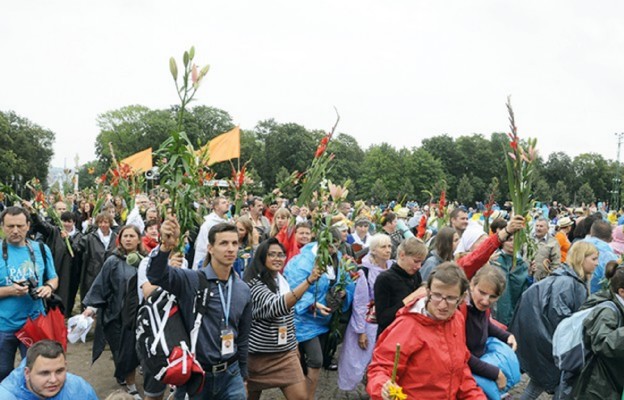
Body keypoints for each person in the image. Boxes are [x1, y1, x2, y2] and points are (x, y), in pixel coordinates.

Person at [147, 219, 251, 400]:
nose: (231, 249)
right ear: (210, 248)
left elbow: (242, 337)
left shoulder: (243, 290)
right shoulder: (192, 280)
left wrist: (243, 376)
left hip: (231, 375)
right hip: (197, 375)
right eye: (224, 243)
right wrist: (165, 247)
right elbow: (157, 275)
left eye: (234, 243)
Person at [367, 262, 486, 399]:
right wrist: (383, 386)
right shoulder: (407, 326)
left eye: (451, 298)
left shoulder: (457, 319)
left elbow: (460, 369)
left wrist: (475, 396)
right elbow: (380, 368)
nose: (442, 305)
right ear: (428, 292)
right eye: (437, 295)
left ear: (461, 298)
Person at [510, 241, 599, 400]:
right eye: (593, 258)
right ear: (581, 258)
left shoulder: (570, 279)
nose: (597, 263)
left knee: (538, 385)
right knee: (549, 385)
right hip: (555, 347)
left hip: (551, 346)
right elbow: (561, 318)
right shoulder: (568, 282)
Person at [243, 238, 321, 400]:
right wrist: (308, 281)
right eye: (271, 255)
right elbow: (277, 307)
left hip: (285, 354)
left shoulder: (281, 281)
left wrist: (295, 346)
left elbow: (288, 318)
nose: (277, 258)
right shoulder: (254, 285)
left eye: (281, 255)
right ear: (262, 257)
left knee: (300, 397)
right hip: (258, 356)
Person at [284, 228, 356, 400]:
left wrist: (343, 293)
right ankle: (303, 396)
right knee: (314, 360)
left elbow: (347, 281)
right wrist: (310, 304)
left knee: (316, 360)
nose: (332, 249)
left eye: (336, 246)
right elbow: (293, 286)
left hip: (325, 318)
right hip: (302, 319)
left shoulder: (337, 259)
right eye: (329, 245)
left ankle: (307, 394)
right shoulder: (302, 261)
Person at [82, 224, 145, 399]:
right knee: (123, 350)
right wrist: (91, 307)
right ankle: (130, 385)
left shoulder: (145, 260)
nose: (128, 239)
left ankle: (132, 378)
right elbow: (101, 285)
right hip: (116, 315)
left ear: (139, 239)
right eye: (125, 236)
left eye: (132, 236)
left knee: (138, 349)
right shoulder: (113, 261)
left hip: (140, 315)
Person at [0, 206, 58, 382]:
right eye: (10, 226)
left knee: (35, 373)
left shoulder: (40, 249)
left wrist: (48, 287)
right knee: (3, 372)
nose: (15, 231)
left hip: (34, 323)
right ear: (2, 226)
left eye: (20, 226)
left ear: (28, 226)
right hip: (4, 326)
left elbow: (54, 277)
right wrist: (10, 291)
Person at [338, 234, 393, 392]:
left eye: (389, 246)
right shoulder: (365, 272)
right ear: (374, 250)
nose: (388, 250)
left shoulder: (393, 268)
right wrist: (360, 331)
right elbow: (360, 304)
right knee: (359, 360)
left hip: (387, 322)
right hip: (369, 322)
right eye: (383, 247)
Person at [464, 265, 520, 397]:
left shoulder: (480, 308)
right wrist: (495, 373)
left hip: (479, 369)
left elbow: (486, 324)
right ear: (472, 285)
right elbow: (461, 354)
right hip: (467, 376)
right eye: (482, 293)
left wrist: (507, 336)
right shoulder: (462, 311)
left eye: (493, 297)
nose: (485, 301)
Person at [572, 261, 624, 399]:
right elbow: (603, 343)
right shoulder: (607, 311)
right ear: (622, 292)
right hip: (598, 386)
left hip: (611, 381)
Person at [0, 340, 97, 399]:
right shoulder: (6, 396)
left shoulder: (79, 388)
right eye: (44, 373)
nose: (53, 380)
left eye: (59, 371)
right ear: (27, 373)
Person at [374, 237, 428, 337]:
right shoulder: (384, 279)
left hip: (410, 334)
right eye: (416, 261)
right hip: (390, 337)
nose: (419, 266)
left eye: (421, 262)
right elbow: (383, 319)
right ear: (402, 255)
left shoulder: (415, 275)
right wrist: (412, 297)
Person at [490, 234, 530, 326]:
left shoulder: (521, 263)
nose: (513, 243)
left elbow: (524, 288)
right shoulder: (495, 260)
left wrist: (530, 275)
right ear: (503, 242)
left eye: (515, 240)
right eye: (509, 240)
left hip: (516, 309)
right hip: (499, 309)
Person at [78, 212, 117, 306]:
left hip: (111, 273)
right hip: (92, 273)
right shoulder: (90, 237)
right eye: (100, 222)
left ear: (110, 223)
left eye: (106, 222)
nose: (103, 225)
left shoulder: (116, 237)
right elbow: (78, 248)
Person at [194, 196, 231, 269]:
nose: (227, 204)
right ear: (216, 207)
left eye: (227, 202)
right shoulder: (208, 223)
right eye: (223, 203)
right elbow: (202, 246)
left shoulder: (226, 221)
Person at [584, 219, 619, 293]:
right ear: (610, 236)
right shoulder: (610, 257)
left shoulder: (576, 247)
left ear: (591, 232)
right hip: (598, 299)